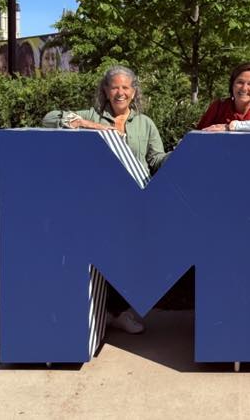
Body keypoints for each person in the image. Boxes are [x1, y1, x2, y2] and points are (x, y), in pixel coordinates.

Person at [42, 65, 169, 333]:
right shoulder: (92, 115)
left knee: (139, 255)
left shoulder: (145, 123)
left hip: (139, 201)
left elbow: (157, 160)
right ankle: (113, 311)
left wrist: (186, 152)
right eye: (115, 87)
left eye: (126, 87)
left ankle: (119, 309)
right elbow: (49, 119)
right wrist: (92, 125)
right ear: (105, 91)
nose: (120, 92)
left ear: (134, 92)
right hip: (101, 201)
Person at [196, 62, 250, 133]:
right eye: (240, 82)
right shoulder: (218, 107)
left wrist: (229, 127)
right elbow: (198, 135)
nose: (244, 88)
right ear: (232, 85)